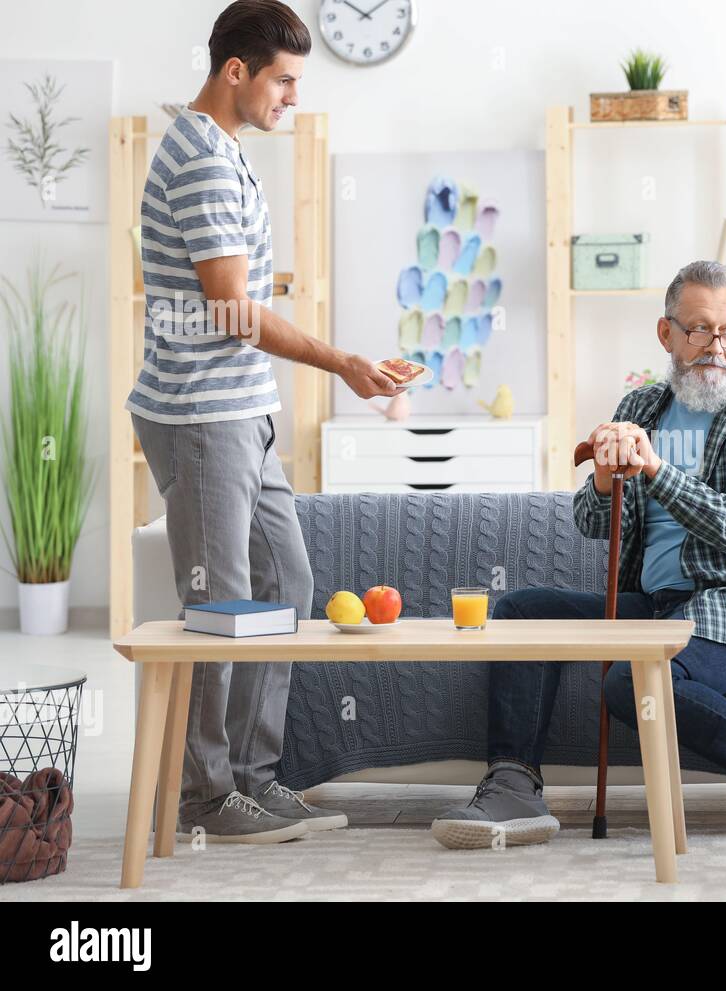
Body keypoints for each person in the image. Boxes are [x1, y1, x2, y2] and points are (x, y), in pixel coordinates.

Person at [431, 260, 726, 849]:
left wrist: (656, 469)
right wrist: (606, 480)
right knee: (522, 611)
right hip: (657, 605)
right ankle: (513, 785)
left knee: (631, 684)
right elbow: (592, 523)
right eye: (700, 330)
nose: (717, 348)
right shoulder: (640, 409)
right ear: (667, 334)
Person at [127, 0, 398, 843]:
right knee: (220, 604)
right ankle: (206, 795)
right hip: (203, 413)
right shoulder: (203, 161)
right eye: (283, 81)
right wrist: (342, 362)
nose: (293, 97)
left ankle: (251, 776)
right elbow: (232, 309)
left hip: (242, 409)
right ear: (235, 70)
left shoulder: (223, 148)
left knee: (285, 583)